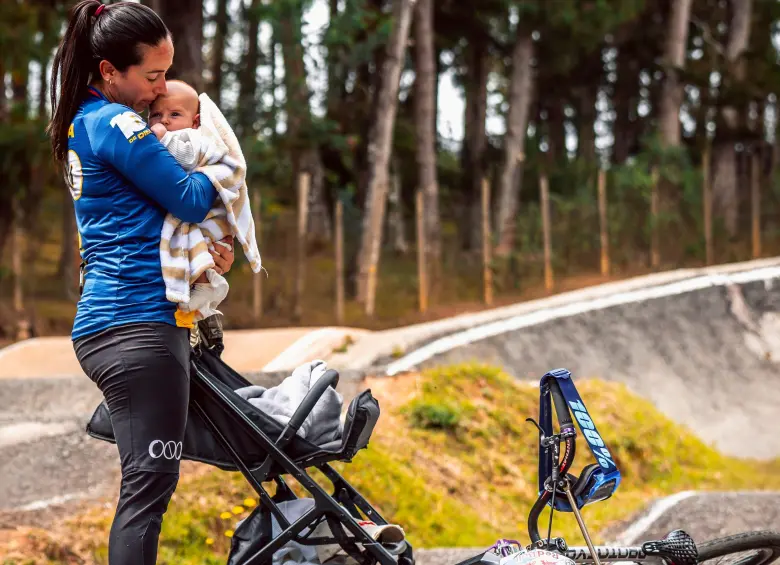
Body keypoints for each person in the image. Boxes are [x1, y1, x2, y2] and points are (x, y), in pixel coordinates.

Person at [46, 2, 235, 563]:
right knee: (148, 489)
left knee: (148, 484)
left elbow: (152, 218)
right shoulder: (118, 123)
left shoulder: (85, 121)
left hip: (120, 322)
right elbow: (189, 196)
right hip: (137, 324)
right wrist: (221, 163)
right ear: (110, 71)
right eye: (152, 77)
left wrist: (205, 252)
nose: (160, 92)